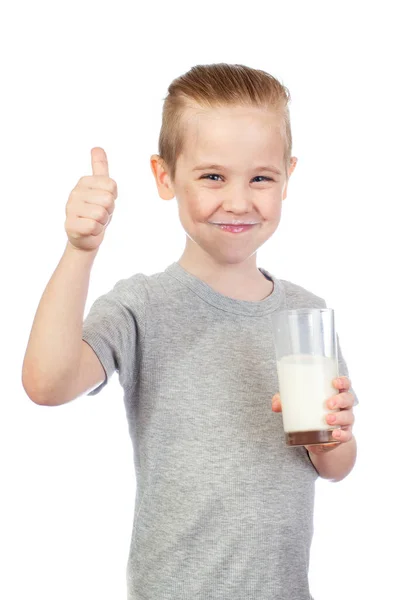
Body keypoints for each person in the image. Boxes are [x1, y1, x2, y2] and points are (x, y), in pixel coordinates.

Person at [22, 63, 359, 600]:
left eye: (261, 178)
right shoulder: (142, 306)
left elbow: (334, 465)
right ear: (164, 176)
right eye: (212, 176)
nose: (239, 200)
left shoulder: (307, 315)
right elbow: (47, 382)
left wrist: (336, 436)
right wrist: (79, 251)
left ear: (288, 177)